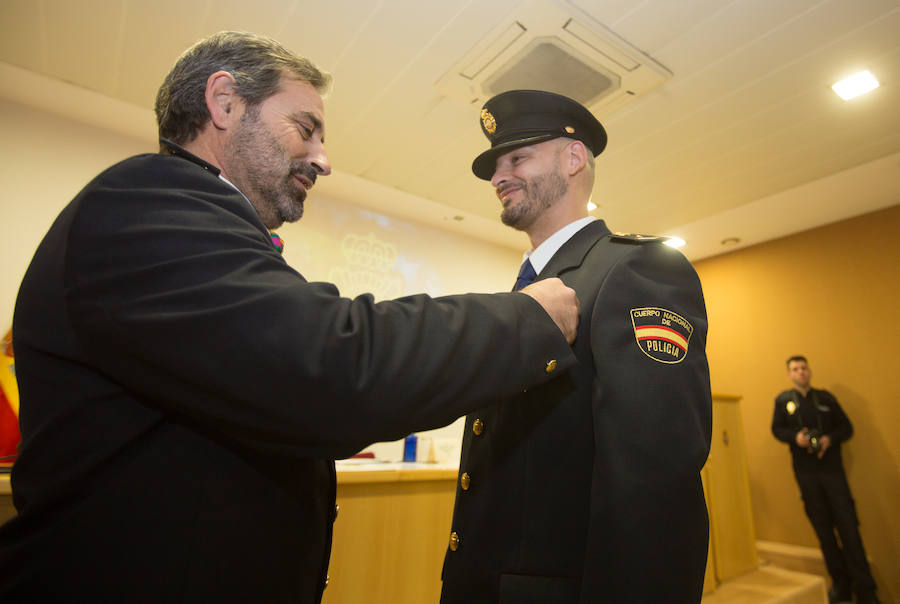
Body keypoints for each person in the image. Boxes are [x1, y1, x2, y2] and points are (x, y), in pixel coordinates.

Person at [0, 33, 583, 603]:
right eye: (306, 129)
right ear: (224, 103)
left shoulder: (194, 220)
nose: (323, 160)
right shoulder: (145, 201)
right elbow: (334, 367)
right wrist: (527, 321)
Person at [440, 90, 713, 603]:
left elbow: (654, 482)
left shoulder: (635, 268)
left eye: (517, 157)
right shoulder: (527, 291)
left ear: (573, 158)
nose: (499, 177)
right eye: (496, 165)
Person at [772, 356, 879, 604]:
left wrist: (829, 440)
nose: (800, 372)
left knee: (849, 529)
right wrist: (795, 437)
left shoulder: (827, 399)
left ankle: (866, 591)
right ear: (789, 374)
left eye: (804, 368)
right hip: (806, 476)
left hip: (833, 473)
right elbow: (777, 429)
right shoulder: (783, 400)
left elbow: (847, 428)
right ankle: (841, 586)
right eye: (795, 369)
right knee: (824, 532)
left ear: (809, 371)